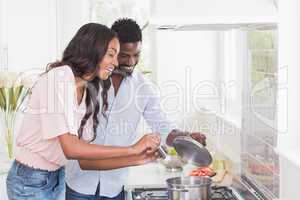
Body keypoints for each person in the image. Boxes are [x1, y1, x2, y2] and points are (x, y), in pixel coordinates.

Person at [5, 23, 161, 200]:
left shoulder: (89, 90)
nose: (116, 63)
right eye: (111, 54)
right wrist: (133, 149)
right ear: (92, 50)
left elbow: (85, 160)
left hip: (57, 177)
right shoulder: (59, 78)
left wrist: (139, 158)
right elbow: (71, 149)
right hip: (30, 180)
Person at [65, 18, 206, 200]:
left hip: (114, 187)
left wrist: (185, 138)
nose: (131, 62)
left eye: (136, 54)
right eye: (124, 55)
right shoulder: (88, 80)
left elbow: (162, 126)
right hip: (79, 184)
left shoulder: (143, 87)